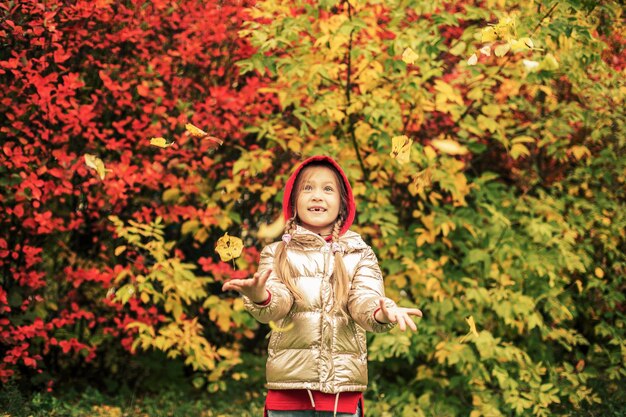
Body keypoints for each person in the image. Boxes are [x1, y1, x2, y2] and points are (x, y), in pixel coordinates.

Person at [222, 155, 422, 417]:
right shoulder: (277, 252)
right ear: (294, 202)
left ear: (342, 204)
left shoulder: (359, 253)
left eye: (328, 189)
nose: (317, 196)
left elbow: (364, 301)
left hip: (342, 397)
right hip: (288, 396)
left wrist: (381, 313)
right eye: (308, 188)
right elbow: (277, 304)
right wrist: (260, 296)